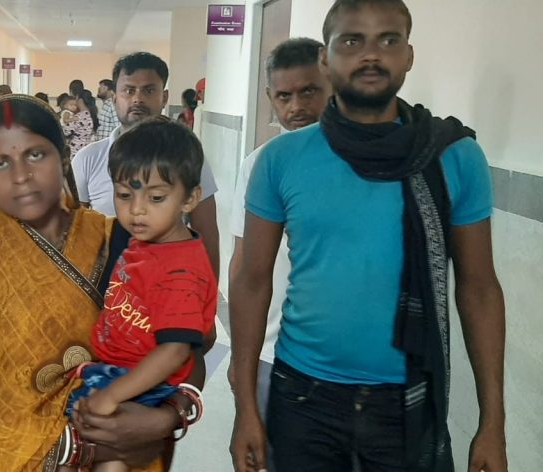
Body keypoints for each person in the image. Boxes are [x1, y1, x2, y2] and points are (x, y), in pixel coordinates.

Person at [229, 2, 507, 471]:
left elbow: (479, 288)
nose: (371, 55)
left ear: (409, 55)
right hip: (301, 402)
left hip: (408, 404)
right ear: (326, 58)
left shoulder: (453, 157)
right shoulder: (280, 160)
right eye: (352, 41)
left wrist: (493, 423)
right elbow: (252, 281)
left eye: (388, 40)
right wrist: (245, 409)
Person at [0, 95, 208, 471]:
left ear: (65, 157)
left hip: (129, 441)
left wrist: (166, 418)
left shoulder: (123, 240)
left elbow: (190, 346)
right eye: (1, 163)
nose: (21, 176)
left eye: (36, 155)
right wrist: (78, 447)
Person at [62, 118, 216, 472]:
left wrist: (111, 396)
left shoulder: (180, 269)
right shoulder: (146, 243)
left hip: (139, 385)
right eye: (124, 195)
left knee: (108, 457)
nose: (137, 209)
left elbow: (175, 350)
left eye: (156, 197)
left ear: (190, 198)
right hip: (114, 373)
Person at [225, 37, 330, 471]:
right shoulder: (260, 163)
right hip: (271, 352)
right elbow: (242, 264)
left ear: (332, 84)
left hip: (337, 361)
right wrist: (240, 355)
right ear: (270, 98)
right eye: (284, 96)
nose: (296, 106)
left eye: (309, 91)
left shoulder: (360, 162)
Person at [73, 52, 221, 279]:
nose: (137, 99)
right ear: (114, 97)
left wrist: (205, 293)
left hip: (170, 285)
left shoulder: (188, 158)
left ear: (164, 97)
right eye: (128, 90)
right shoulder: (88, 159)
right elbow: (75, 233)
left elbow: (207, 234)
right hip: (103, 288)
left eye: (149, 90)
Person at [63, 90, 99, 155]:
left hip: (76, 151)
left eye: (76, 99)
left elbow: (65, 131)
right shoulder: (91, 115)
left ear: (80, 100)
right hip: (87, 150)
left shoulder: (79, 117)